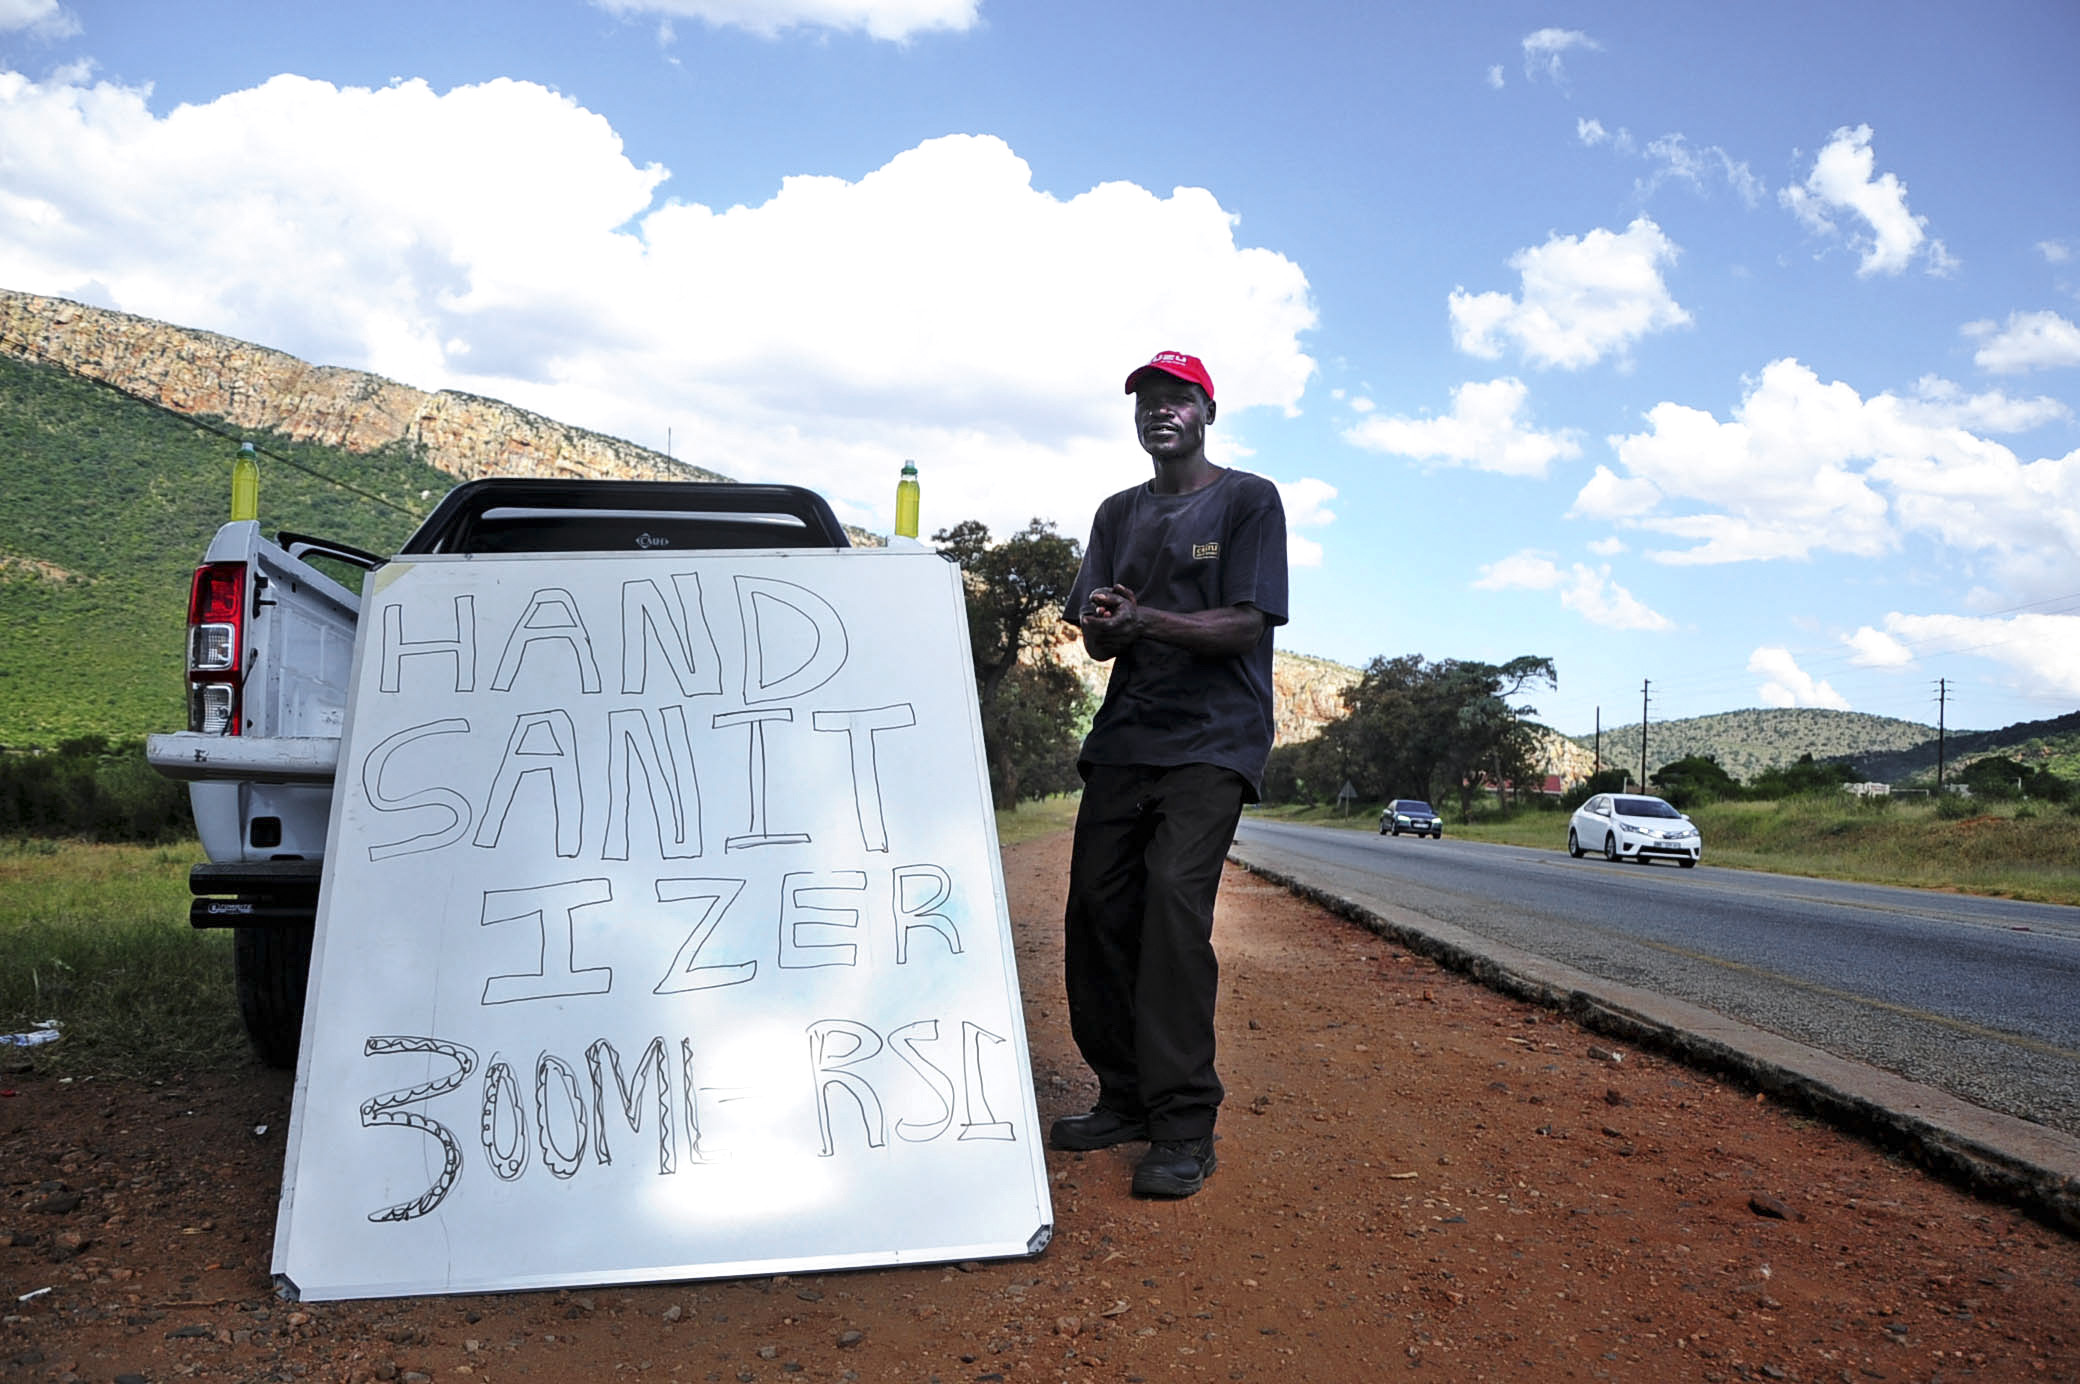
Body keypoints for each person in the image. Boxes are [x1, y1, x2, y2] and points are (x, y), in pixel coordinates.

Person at [1052, 350, 1288, 1198]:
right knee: (1096, 910)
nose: (1161, 410)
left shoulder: (1248, 500)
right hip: (1127, 736)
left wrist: (1144, 616)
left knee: (1173, 911)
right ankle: (1124, 1097)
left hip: (1215, 740)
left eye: (1178, 398)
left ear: (1207, 413)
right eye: (1149, 400)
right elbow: (1099, 636)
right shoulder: (1118, 513)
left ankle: (1185, 1122)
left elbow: (1243, 625)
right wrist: (1109, 623)